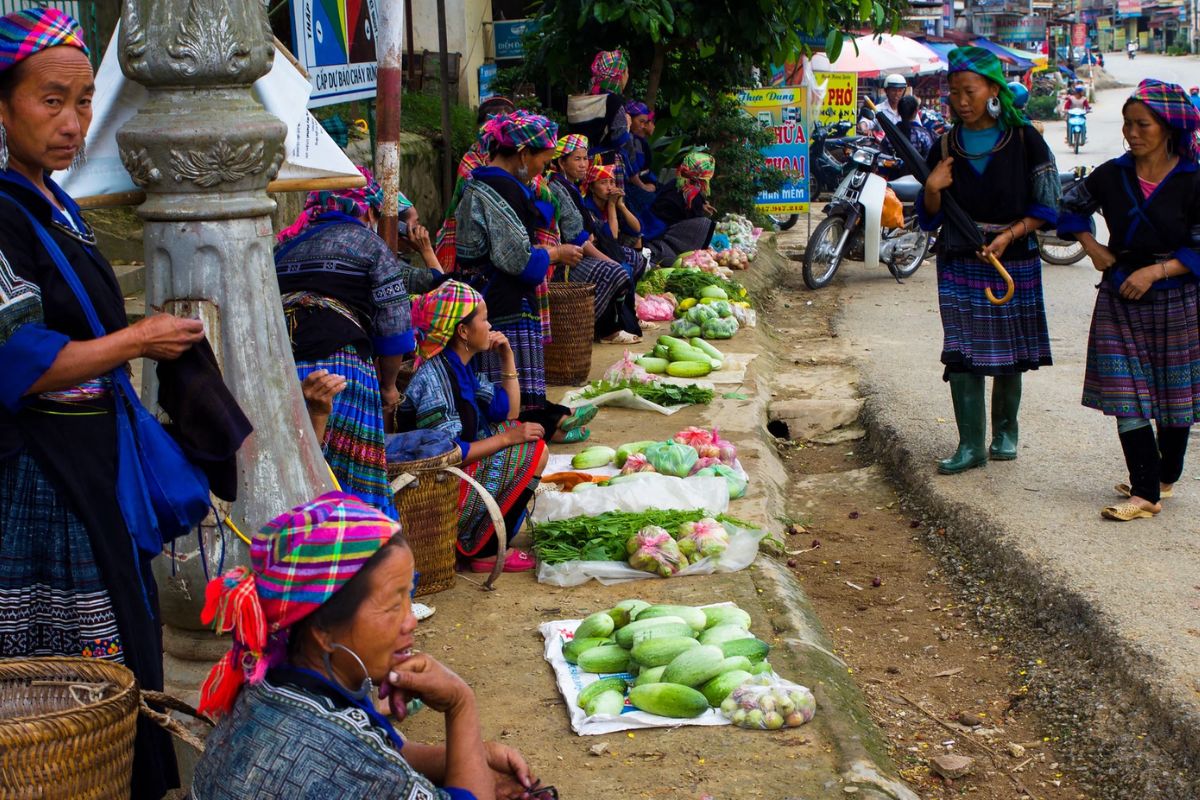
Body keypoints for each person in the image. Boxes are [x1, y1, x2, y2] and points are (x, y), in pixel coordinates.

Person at [0, 9, 216, 797]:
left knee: (125, 636)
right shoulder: (3, 212)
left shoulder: (51, 202)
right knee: (70, 671)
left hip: (92, 460)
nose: (73, 121)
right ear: (2, 104)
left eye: (85, 100)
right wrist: (140, 339)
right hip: (45, 477)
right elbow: (18, 363)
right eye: (51, 100)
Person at [190, 492, 543, 799]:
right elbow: (371, 761)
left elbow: (392, 750)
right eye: (393, 605)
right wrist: (460, 704)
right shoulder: (343, 755)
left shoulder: (281, 680)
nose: (411, 620)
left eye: (410, 597)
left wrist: (477, 755)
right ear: (324, 631)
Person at [1057, 79, 1200, 521]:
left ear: (1169, 128)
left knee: (1174, 397)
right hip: (1121, 296)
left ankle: (1164, 475)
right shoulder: (1112, 175)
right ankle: (1145, 491)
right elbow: (1068, 206)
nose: (1131, 133)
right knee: (1126, 393)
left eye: (1142, 125)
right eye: (1127, 124)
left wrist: (1156, 270)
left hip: (1177, 299)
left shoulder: (1194, 180)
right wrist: (1093, 247)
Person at [917, 46, 1061, 474]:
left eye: (970, 91)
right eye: (954, 92)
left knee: (1008, 351)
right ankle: (970, 445)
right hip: (960, 256)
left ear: (993, 89)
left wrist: (1010, 235)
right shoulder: (944, 144)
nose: (961, 101)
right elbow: (928, 218)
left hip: (1012, 257)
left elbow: (1048, 208)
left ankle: (1005, 433)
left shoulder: (1025, 140)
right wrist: (932, 186)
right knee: (962, 352)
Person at [275, 168, 441, 518]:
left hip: (285, 371)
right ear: (367, 211)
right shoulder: (370, 244)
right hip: (344, 367)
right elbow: (395, 327)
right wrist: (389, 386)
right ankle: (364, 552)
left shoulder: (284, 248)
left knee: (302, 468)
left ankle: (307, 547)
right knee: (357, 475)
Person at [453, 111, 596, 436]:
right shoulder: (496, 191)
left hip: (499, 298)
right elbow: (521, 262)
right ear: (522, 154)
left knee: (518, 388)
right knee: (505, 388)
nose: (542, 170)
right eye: (543, 162)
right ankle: (538, 429)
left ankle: (551, 422)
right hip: (498, 304)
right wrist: (556, 253)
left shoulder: (491, 186)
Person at [401, 282, 548, 571]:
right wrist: (508, 438)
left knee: (525, 436)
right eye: (483, 318)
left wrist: (507, 356)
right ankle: (484, 550)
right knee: (532, 448)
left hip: (457, 469)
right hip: (436, 486)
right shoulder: (434, 379)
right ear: (463, 331)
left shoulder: (460, 366)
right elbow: (446, 453)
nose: (490, 325)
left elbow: (510, 411)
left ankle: (491, 536)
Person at [548, 135, 645, 344]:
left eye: (585, 158)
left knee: (636, 259)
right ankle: (604, 328)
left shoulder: (572, 187)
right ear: (560, 162)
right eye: (577, 159)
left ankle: (627, 317)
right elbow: (577, 238)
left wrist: (616, 205)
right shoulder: (558, 187)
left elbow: (630, 231)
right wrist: (607, 260)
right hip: (565, 259)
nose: (584, 164)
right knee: (615, 271)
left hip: (584, 248)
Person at [435, 96, 517, 271]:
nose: (498, 129)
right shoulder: (471, 161)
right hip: (475, 237)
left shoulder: (518, 156)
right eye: (491, 123)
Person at [569, 50, 631, 188]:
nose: (627, 76)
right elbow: (620, 139)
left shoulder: (583, 100)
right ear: (619, 75)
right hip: (608, 168)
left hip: (583, 165)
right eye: (626, 72)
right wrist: (627, 125)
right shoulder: (614, 101)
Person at [622, 100, 658, 216]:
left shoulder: (638, 140)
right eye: (641, 121)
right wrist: (644, 187)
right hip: (631, 187)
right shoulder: (627, 140)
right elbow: (632, 170)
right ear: (629, 119)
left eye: (646, 122)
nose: (643, 126)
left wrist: (651, 184)